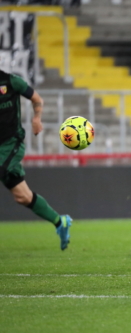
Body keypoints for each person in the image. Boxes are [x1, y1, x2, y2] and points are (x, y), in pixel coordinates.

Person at [0, 70, 71, 250]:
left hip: (11, 144)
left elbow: (37, 99)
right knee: (22, 197)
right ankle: (59, 222)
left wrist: (37, 118)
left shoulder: (11, 81)